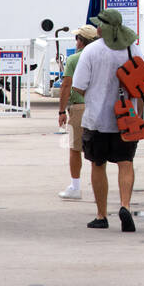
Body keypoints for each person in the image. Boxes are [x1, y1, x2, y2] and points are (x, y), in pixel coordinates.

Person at [71, 10, 144, 231]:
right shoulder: (133, 49)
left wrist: (95, 98)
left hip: (97, 120)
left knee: (98, 164)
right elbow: (143, 84)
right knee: (126, 164)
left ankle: (102, 215)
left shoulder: (91, 51)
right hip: (126, 119)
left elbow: (78, 86)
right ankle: (125, 206)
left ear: (101, 29)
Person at [57, 23, 99, 200]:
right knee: (97, 150)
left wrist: (61, 111)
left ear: (81, 41)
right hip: (98, 107)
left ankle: (75, 186)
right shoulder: (101, 57)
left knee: (75, 148)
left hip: (78, 107)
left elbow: (66, 85)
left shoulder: (74, 59)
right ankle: (99, 185)